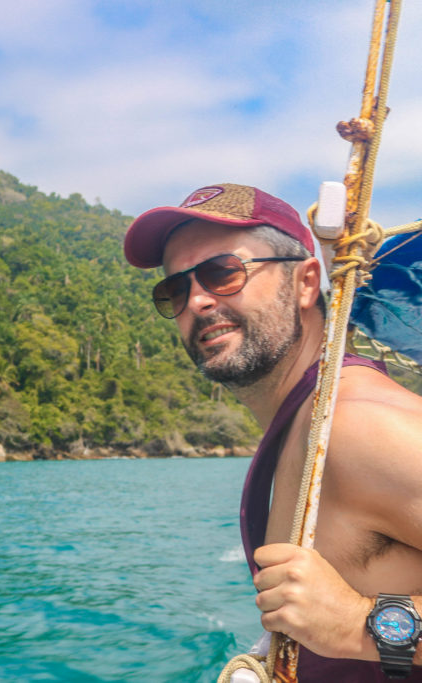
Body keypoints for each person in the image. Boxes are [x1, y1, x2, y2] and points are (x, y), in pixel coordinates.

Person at [124, 183, 422, 681]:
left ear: (307, 283)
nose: (196, 300)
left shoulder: (359, 429)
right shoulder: (304, 427)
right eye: (175, 289)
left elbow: (349, 625)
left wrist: (355, 624)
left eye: (223, 273)